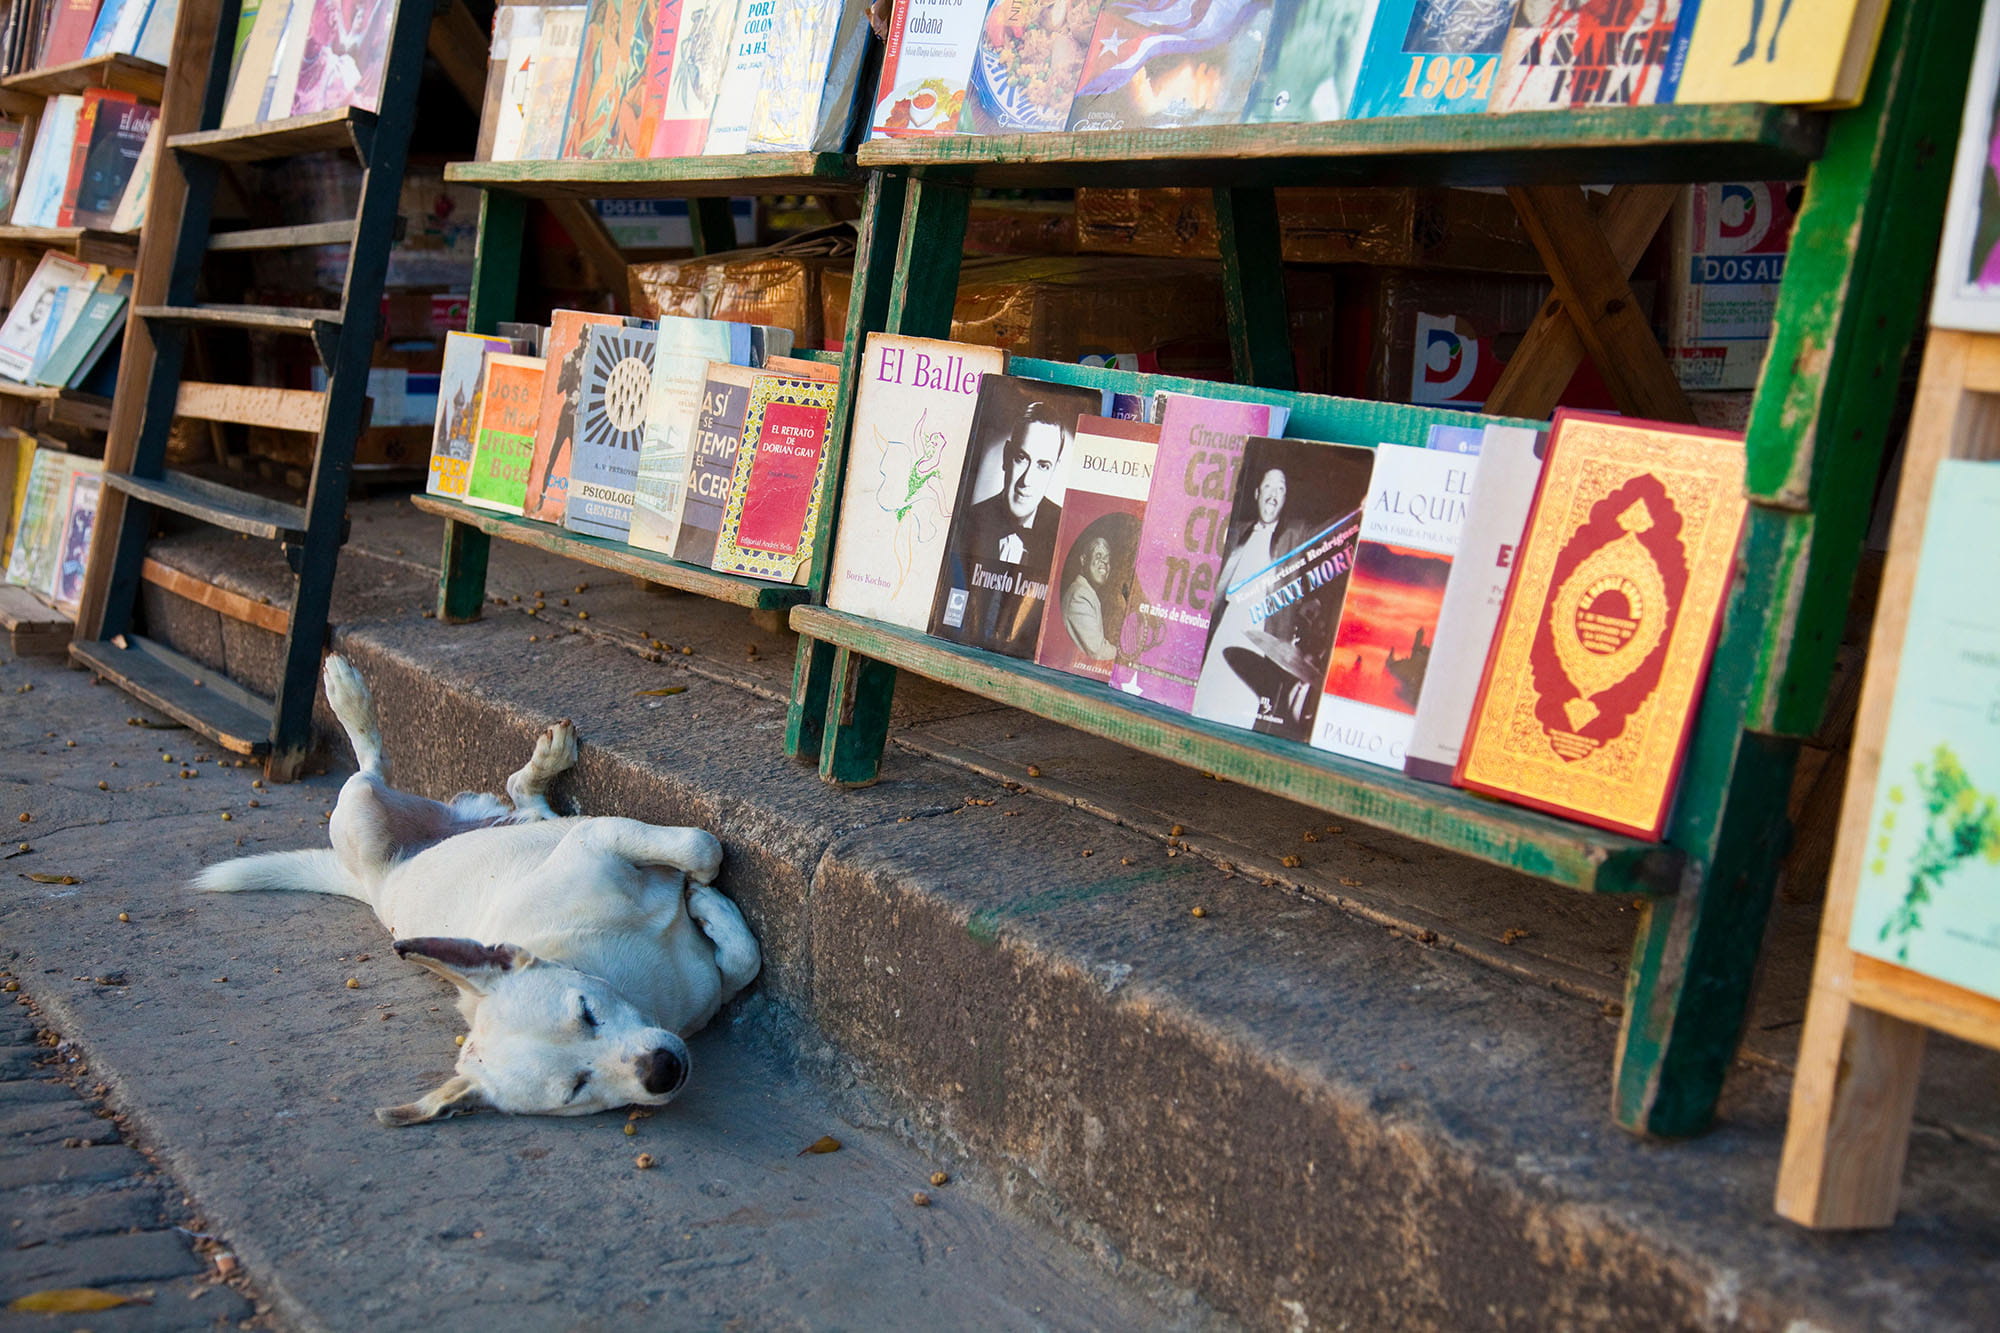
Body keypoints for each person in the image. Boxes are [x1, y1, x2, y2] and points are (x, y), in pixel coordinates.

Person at [944, 401, 1070, 656]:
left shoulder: (1065, 533)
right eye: (1022, 459)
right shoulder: (967, 520)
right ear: (1006, 457)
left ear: (1054, 470)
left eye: (1043, 465)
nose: (1027, 481)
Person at [1062, 535, 1118, 661]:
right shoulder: (1080, 596)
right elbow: (1098, 651)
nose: (1104, 563)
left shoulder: (1087, 592)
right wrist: (1127, 658)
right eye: (1098, 556)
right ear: (1083, 560)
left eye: (1107, 559)